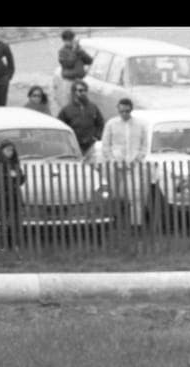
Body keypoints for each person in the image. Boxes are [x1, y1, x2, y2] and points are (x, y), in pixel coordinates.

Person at [100, 98, 148, 227]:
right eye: (122, 111)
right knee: (113, 195)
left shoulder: (140, 125)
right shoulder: (111, 124)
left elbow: (144, 146)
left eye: (127, 111)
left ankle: (136, 224)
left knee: (136, 194)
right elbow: (105, 145)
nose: (124, 114)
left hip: (134, 164)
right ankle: (114, 222)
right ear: (118, 110)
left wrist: (136, 160)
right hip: (115, 165)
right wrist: (113, 161)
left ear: (131, 110)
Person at [58, 80, 104, 163]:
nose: (82, 93)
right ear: (74, 92)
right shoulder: (67, 109)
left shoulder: (93, 107)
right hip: (73, 146)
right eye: (79, 90)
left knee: (90, 166)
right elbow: (60, 126)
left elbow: (100, 123)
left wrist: (97, 136)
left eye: (84, 90)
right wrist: (67, 141)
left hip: (90, 145)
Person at [0, 140, 25, 250]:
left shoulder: (15, 164)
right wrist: (11, 178)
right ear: (2, 151)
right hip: (4, 195)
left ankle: (15, 244)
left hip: (16, 195)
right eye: (7, 150)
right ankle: (4, 245)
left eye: (11, 150)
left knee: (16, 221)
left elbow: (21, 178)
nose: (10, 152)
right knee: (4, 221)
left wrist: (17, 177)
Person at [54, 30, 93, 114]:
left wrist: (80, 52)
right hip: (69, 81)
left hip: (80, 80)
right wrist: (74, 51)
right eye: (69, 40)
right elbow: (68, 64)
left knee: (82, 102)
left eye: (72, 39)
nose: (71, 42)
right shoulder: (62, 52)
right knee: (70, 103)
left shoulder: (78, 49)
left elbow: (89, 61)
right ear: (64, 41)